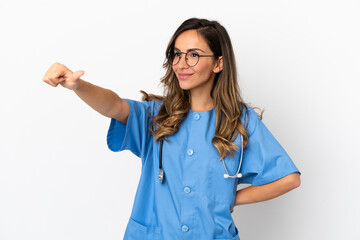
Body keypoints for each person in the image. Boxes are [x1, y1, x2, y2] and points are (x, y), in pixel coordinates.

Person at [43, 18, 301, 240]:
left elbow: (288, 178)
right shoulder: (157, 115)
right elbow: (115, 106)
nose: (181, 63)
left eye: (193, 55)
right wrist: (78, 86)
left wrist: (230, 199)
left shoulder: (238, 120)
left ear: (218, 63)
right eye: (177, 54)